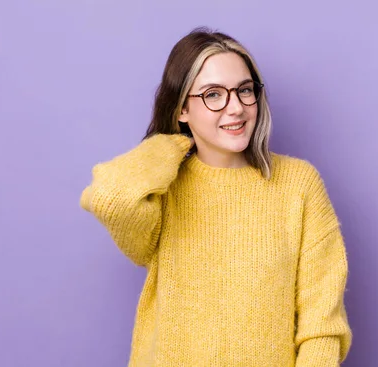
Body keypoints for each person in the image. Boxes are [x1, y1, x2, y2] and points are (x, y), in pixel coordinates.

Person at [80, 27, 352, 366]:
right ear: (181, 108)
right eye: (212, 95)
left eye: (244, 90)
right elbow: (112, 197)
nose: (235, 108)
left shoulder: (298, 185)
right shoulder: (163, 190)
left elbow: (322, 328)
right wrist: (175, 143)